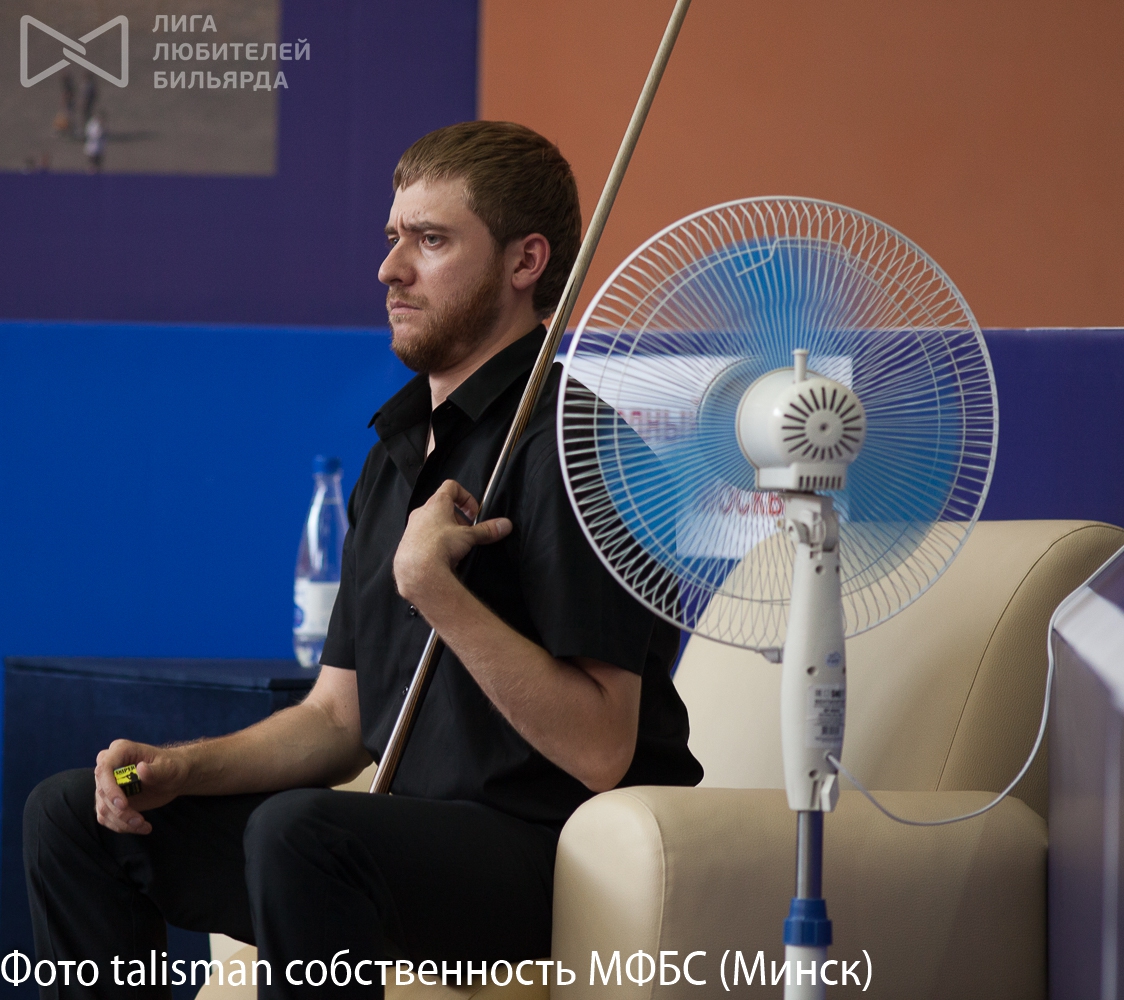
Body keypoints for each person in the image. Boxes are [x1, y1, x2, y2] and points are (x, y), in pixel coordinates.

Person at [24, 121, 702, 999]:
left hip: (554, 853)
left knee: (303, 835)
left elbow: (602, 748)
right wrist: (184, 768)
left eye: (431, 240)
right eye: (392, 238)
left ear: (525, 262)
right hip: (399, 842)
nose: (390, 269)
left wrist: (434, 590)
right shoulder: (395, 456)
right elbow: (337, 719)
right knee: (76, 814)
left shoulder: (580, 449)